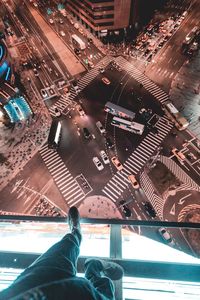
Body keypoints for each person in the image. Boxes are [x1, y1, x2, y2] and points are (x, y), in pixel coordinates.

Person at [0, 207, 124, 300]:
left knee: (66, 246)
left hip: (32, 286)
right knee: (103, 286)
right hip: (39, 288)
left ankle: (76, 233)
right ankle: (93, 264)